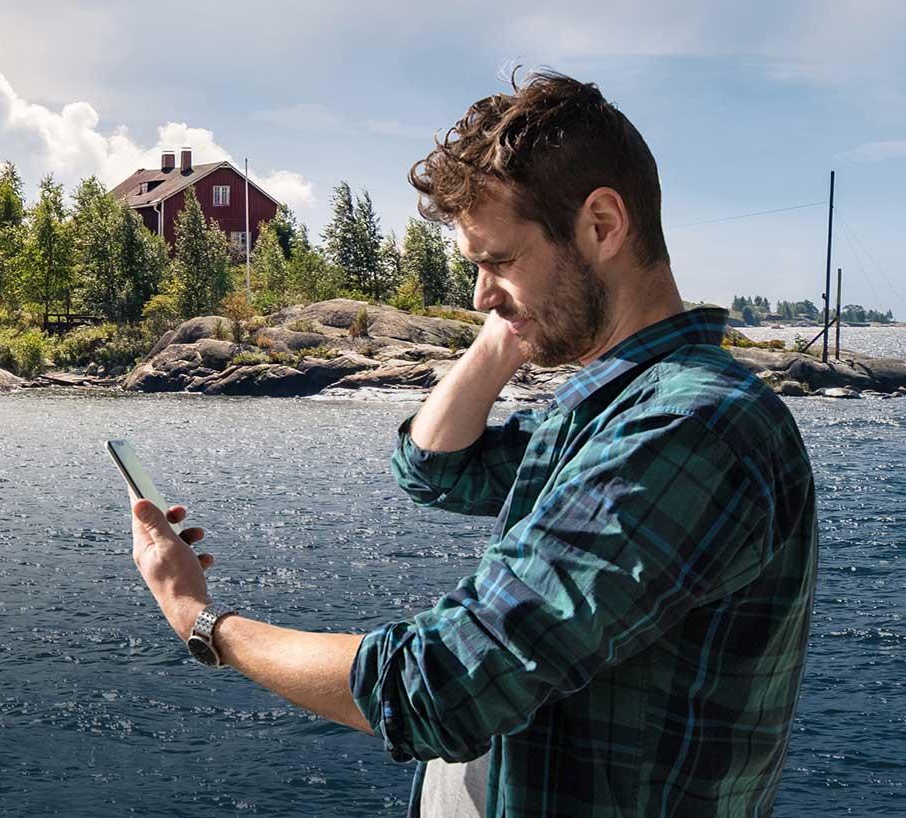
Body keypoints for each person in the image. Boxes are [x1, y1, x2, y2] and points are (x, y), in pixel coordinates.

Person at [127, 69, 818, 817]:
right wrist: (511, 329)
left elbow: (439, 687)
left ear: (603, 226)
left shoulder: (689, 428)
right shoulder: (612, 410)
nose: (479, 295)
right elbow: (434, 467)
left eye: (497, 261)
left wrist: (200, 621)